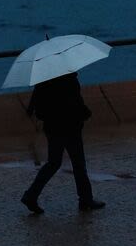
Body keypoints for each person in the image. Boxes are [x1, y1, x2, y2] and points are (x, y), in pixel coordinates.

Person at [21, 72, 106, 214]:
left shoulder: (44, 78)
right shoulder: (68, 78)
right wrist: (84, 113)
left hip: (52, 126)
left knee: (53, 162)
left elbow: (36, 103)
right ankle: (85, 198)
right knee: (78, 162)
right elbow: (74, 101)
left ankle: (31, 195)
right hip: (69, 125)